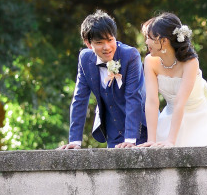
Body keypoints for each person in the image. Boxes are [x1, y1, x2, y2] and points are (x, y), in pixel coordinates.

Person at [59, 10, 147, 150]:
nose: (106, 47)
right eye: (99, 42)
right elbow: (80, 99)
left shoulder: (130, 56)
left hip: (141, 129)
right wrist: (75, 141)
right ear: (88, 43)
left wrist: (130, 139)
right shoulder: (85, 58)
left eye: (110, 40)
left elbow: (133, 97)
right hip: (112, 131)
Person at [140, 12, 207, 148]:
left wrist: (171, 141)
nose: (146, 42)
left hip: (199, 118)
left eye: (150, 38)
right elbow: (151, 101)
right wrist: (151, 139)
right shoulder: (150, 61)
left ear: (164, 41)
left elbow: (180, 101)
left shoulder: (191, 62)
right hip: (170, 117)